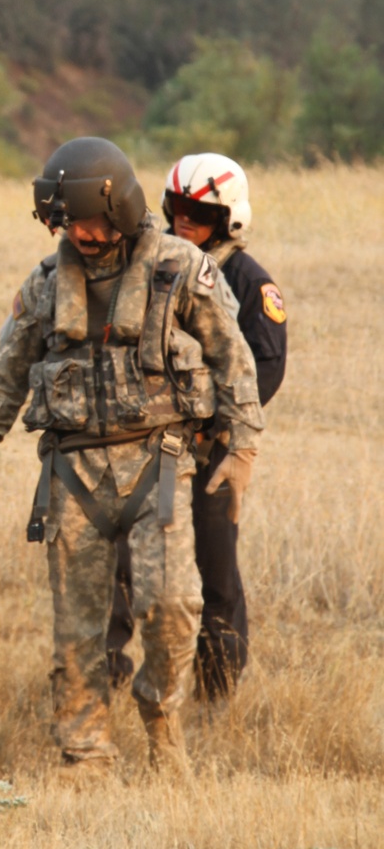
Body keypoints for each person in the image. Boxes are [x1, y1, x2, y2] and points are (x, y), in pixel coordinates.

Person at [0, 137, 263, 771]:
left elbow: (232, 356)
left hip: (158, 463)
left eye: (93, 220)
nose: (82, 234)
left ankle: (160, 716)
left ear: (122, 209)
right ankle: (84, 752)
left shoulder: (181, 268)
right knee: (78, 630)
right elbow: (7, 373)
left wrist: (243, 447)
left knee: (172, 606)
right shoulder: (45, 285)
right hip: (73, 473)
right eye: (68, 222)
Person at [107, 154, 286, 699]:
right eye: (178, 209)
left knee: (215, 570)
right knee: (118, 565)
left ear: (229, 219)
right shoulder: (149, 263)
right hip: (144, 449)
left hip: (209, 454)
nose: (185, 221)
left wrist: (213, 428)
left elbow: (266, 369)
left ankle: (215, 690)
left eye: (200, 213)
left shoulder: (251, 282)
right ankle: (105, 681)